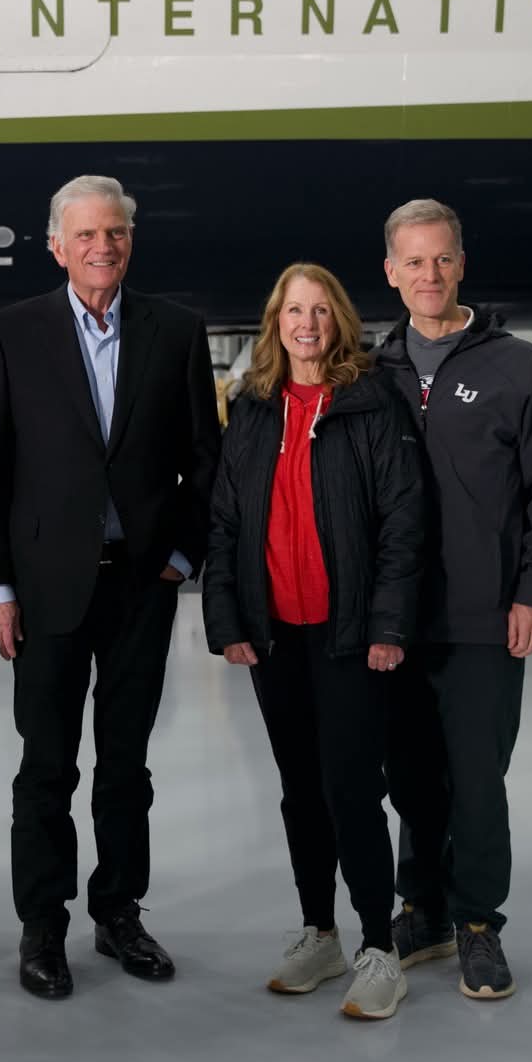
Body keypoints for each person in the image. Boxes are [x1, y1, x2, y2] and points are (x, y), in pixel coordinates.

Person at [0, 175, 221, 999]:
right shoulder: (12, 334)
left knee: (126, 766)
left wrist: (183, 559)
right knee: (45, 766)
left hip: (141, 589)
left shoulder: (177, 332)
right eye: (85, 235)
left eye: (114, 233)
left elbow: (205, 459)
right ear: (56, 246)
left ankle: (119, 911)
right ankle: (42, 923)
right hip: (43, 592)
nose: (102, 247)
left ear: (130, 241)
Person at [203, 263, 423, 1020]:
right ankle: (319, 932)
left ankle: (378, 947)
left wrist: (389, 626)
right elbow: (226, 523)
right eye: (293, 310)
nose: (306, 323)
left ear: (338, 322)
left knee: (352, 789)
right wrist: (228, 621)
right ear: (275, 321)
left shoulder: (370, 401)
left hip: (350, 632)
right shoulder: (254, 406)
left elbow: (402, 523)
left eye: (320, 310)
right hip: (275, 635)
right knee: (301, 789)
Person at [373, 198, 532, 1001]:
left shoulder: (516, 364)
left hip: (486, 614)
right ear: (390, 273)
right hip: (395, 618)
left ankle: (479, 920)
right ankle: (421, 906)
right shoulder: (375, 372)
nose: (428, 275)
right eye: (412, 262)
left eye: (442, 259)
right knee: (411, 774)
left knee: (477, 776)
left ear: (462, 264)